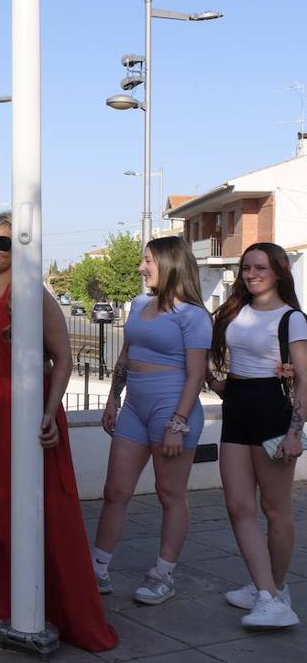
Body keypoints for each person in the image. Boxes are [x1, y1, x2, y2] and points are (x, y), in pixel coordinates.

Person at [0, 212, 117, 651]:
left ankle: (47, 606)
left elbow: (62, 360)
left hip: (27, 407)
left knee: (35, 511)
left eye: (3, 243)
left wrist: (49, 414)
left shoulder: (33, 294)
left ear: (21, 249)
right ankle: (3, 595)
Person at [92, 237, 211, 605]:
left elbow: (196, 375)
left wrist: (178, 423)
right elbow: (125, 356)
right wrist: (113, 398)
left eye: (148, 261)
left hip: (172, 407)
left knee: (170, 494)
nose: (142, 268)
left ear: (170, 264)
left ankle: (162, 575)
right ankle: (97, 569)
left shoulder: (193, 315)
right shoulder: (139, 303)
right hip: (135, 406)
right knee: (116, 491)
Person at [208, 242, 305, 629]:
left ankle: (277, 591)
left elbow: (304, 379)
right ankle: (264, 590)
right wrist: (212, 381)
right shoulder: (236, 311)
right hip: (238, 405)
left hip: (273, 409)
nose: (251, 274)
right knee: (237, 505)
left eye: (260, 267)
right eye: (246, 267)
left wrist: (295, 433)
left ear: (279, 271)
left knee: (275, 509)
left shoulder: (292, 318)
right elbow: (225, 363)